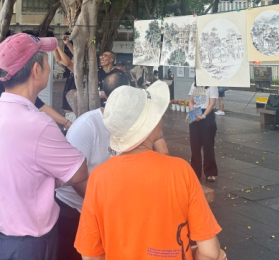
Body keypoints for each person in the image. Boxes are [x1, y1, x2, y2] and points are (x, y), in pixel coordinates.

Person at [75, 81, 225, 260]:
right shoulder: (180, 171)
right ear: (150, 125)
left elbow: (90, 255)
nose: (160, 118)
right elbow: (210, 252)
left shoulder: (99, 177)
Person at [0, 33, 88, 259]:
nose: (50, 68)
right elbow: (79, 172)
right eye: (47, 62)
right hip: (26, 244)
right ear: (36, 70)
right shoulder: (38, 124)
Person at [56, 71, 169, 260]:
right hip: (74, 209)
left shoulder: (133, 125)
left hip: (107, 207)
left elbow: (163, 153)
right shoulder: (87, 126)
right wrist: (106, 207)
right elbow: (75, 178)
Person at [188, 83, 219, 182]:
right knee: (195, 146)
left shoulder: (212, 85)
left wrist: (203, 116)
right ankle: (195, 171)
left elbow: (212, 103)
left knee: (208, 145)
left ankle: (210, 172)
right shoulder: (194, 85)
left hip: (207, 116)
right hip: (195, 114)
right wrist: (193, 114)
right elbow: (191, 101)